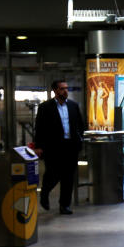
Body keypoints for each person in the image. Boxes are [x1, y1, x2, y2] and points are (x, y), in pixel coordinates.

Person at [34, 78, 85, 214]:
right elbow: (39, 128)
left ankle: (65, 205)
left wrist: (79, 138)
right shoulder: (45, 107)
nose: (65, 91)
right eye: (62, 88)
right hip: (53, 147)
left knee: (68, 177)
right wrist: (38, 146)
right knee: (53, 174)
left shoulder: (73, 106)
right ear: (55, 91)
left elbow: (80, 124)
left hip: (70, 146)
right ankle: (45, 193)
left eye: (66, 88)